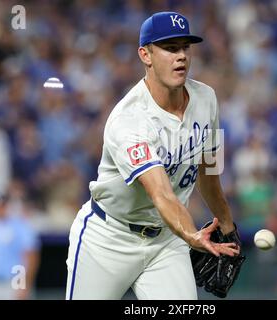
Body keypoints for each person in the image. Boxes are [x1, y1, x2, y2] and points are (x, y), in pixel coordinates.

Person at [65, 11, 240, 300]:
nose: (181, 56)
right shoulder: (129, 119)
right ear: (145, 55)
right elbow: (161, 195)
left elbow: (209, 170)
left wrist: (227, 224)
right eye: (170, 48)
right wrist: (192, 235)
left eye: (185, 47)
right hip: (110, 238)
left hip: (165, 241)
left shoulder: (207, 98)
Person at [0, 194, 41, 300]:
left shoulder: (21, 225)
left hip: (15, 278)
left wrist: (24, 285)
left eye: (2, 205)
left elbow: (31, 256)